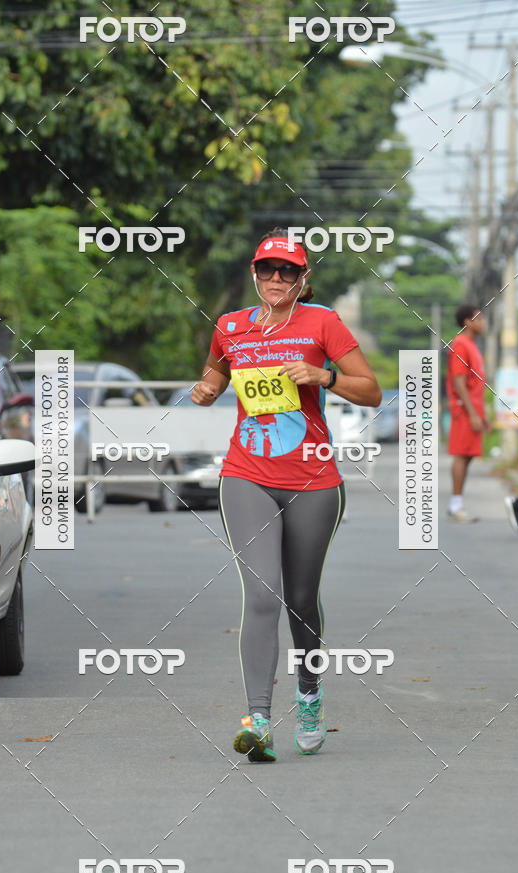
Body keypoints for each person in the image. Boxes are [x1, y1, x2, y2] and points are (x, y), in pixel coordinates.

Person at [191, 228, 381, 761]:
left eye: (289, 272)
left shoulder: (322, 322)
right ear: (254, 274)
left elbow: (371, 390)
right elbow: (215, 369)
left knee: (300, 602)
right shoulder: (231, 327)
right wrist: (207, 387)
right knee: (263, 594)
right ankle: (258, 719)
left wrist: (324, 376)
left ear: (303, 279)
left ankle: (311, 692)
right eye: (268, 270)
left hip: (314, 480)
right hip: (245, 473)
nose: (277, 279)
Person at [445, 305, 491, 522]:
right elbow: (459, 382)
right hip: (463, 411)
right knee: (461, 456)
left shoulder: (472, 346)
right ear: (467, 322)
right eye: (479, 318)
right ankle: (455, 507)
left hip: (473, 410)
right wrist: (472, 413)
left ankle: (458, 504)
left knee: (468, 456)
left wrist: (482, 415)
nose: (483, 322)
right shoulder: (461, 345)